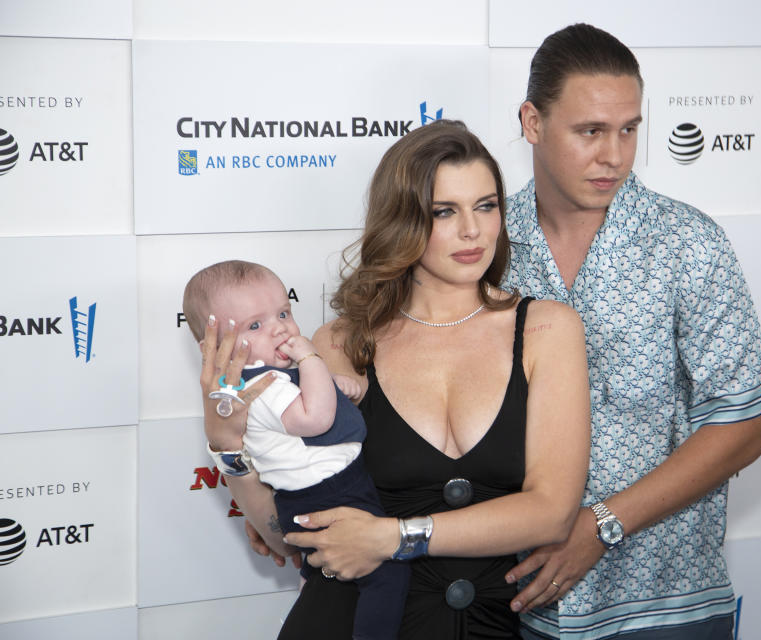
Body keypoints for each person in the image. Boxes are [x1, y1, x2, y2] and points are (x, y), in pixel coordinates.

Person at [199, 120, 592, 639]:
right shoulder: (338, 342)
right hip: (348, 620)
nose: (473, 231)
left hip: (487, 625)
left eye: (486, 205)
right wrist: (228, 450)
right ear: (400, 221)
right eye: (443, 212)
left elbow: (551, 515)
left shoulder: (546, 329)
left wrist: (395, 536)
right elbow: (287, 531)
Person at [500, 23, 761, 640]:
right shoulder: (485, 246)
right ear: (531, 122)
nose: (614, 155)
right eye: (590, 132)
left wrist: (602, 524)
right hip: (510, 602)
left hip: (666, 606)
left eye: (629, 129)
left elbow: (746, 422)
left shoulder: (688, 242)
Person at [183, 260, 409, 640]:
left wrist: (332, 382)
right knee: (388, 574)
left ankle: (311, 584)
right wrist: (311, 359)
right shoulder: (263, 385)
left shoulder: (267, 380)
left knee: (323, 571)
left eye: (284, 312)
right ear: (215, 347)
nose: (280, 328)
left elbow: (308, 398)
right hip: (329, 495)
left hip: (311, 499)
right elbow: (316, 418)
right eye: (255, 325)